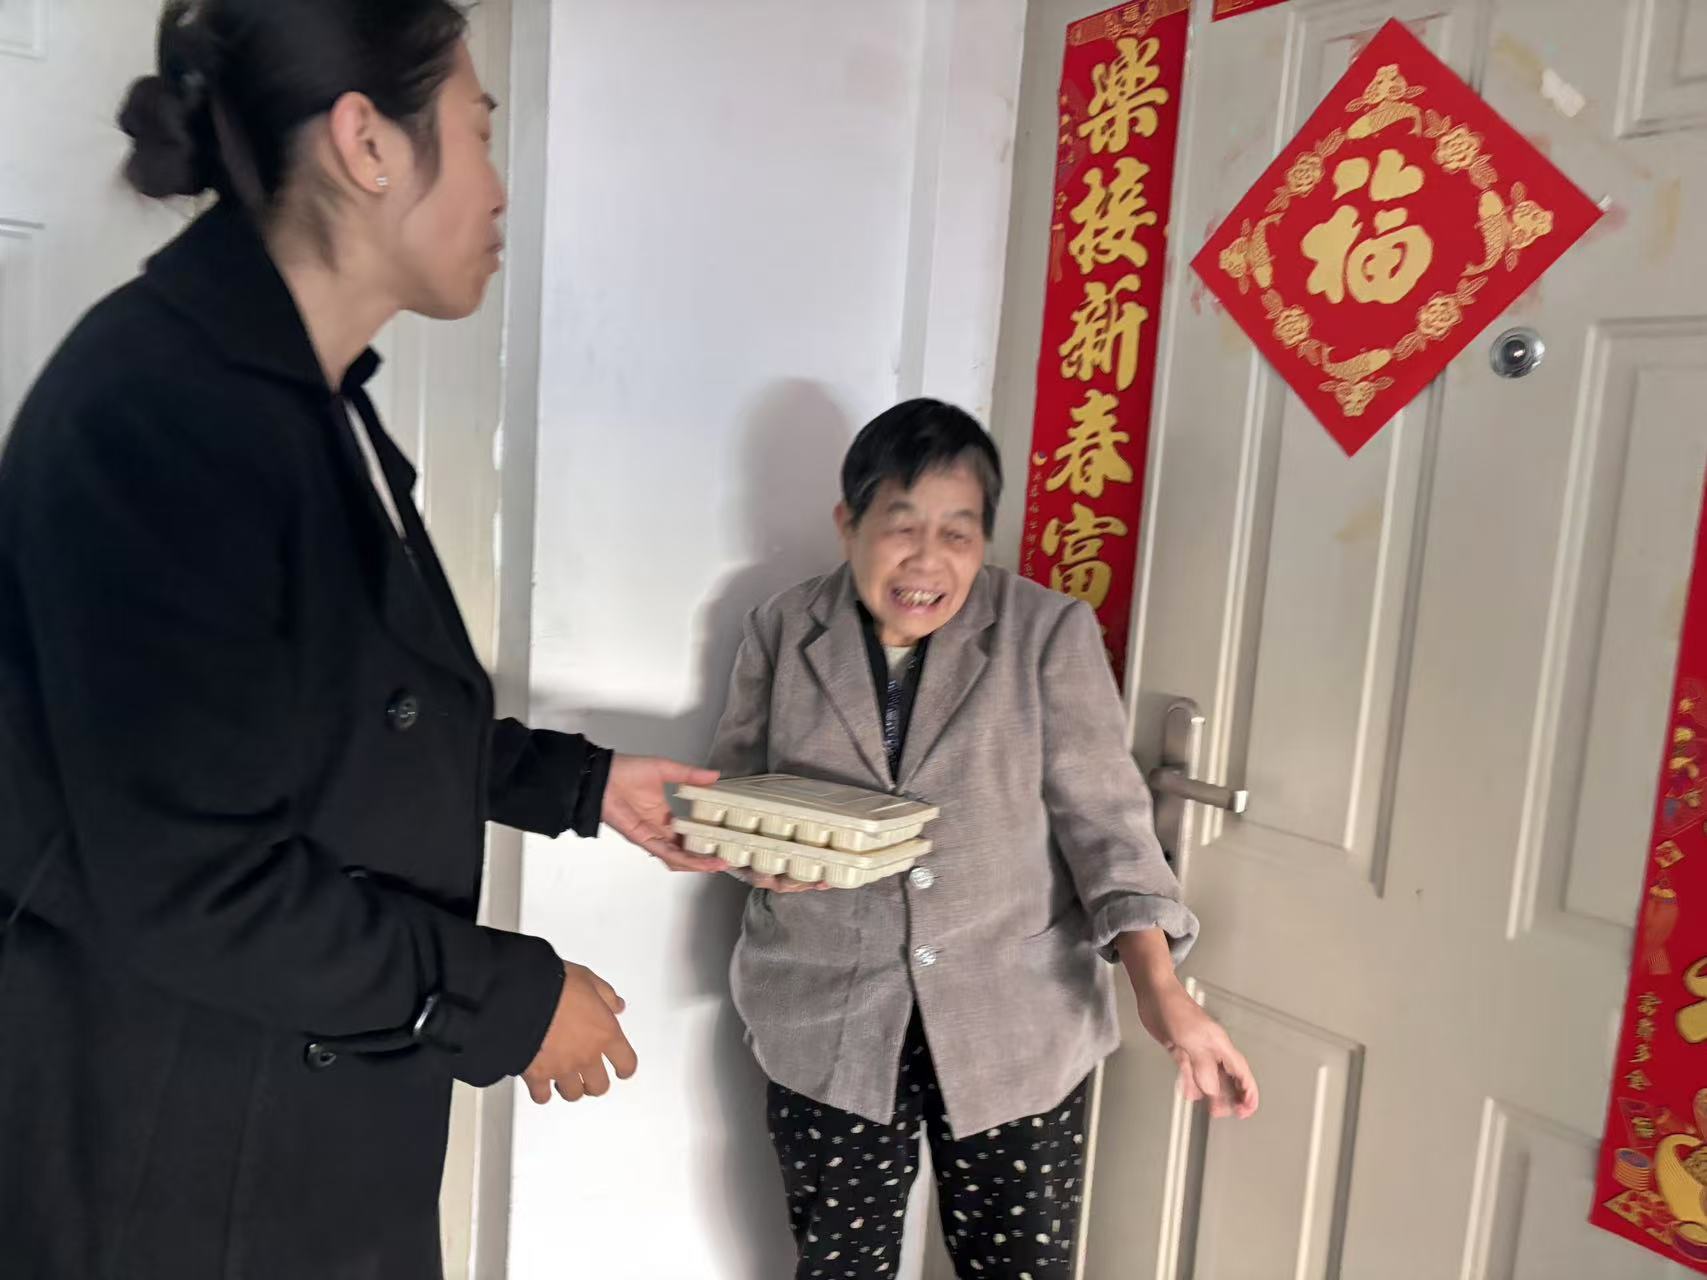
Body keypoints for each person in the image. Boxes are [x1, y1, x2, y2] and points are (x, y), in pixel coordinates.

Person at [0, 3, 725, 1276]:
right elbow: (196, 882)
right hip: (176, 1160)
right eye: (479, 132)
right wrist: (509, 998)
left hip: (288, 1131)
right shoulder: (164, 411)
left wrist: (585, 784)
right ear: (368, 142)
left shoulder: (303, 398)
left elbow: (346, 710)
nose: (499, 187)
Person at [708, 399, 1259, 1279]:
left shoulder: (1045, 633)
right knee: (838, 1265)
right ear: (848, 523)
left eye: (957, 533)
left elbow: (1107, 827)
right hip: (829, 1015)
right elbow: (736, 791)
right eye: (901, 526)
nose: (927, 560)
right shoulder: (783, 627)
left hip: (1017, 1024)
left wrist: (1160, 990)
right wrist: (762, 853)